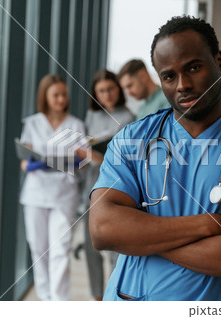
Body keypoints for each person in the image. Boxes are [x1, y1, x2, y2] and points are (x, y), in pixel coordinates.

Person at [89, 16, 221, 301]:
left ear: (219, 61)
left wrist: (139, 236)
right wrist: (207, 225)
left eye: (193, 67)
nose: (183, 85)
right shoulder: (133, 140)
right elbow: (103, 229)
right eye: (169, 76)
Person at [19, 74, 85, 301]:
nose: (60, 99)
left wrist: (74, 160)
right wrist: (31, 163)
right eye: (55, 95)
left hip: (64, 194)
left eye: (64, 95)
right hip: (36, 193)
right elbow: (24, 160)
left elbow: (82, 162)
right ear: (45, 97)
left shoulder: (76, 124)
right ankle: (45, 300)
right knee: (39, 250)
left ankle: (59, 303)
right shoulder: (32, 123)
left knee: (60, 250)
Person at [79, 69, 134, 301]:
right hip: (89, 189)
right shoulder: (91, 117)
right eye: (101, 91)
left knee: (113, 249)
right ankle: (96, 298)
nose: (107, 94)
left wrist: (93, 155)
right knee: (91, 249)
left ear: (118, 89)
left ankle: (113, 298)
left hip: (115, 191)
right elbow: (85, 154)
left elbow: (125, 160)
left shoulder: (129, 119)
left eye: (110, 89)